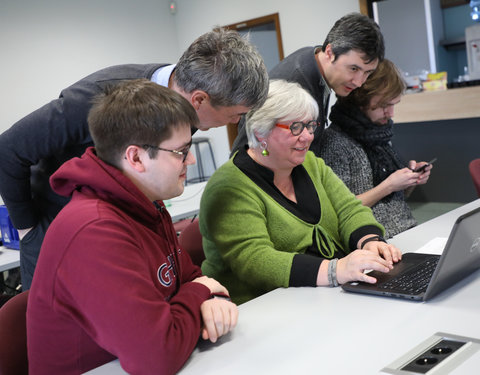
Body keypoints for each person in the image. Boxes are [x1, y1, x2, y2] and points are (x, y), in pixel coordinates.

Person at [0, 28, 268, 290]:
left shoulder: (187, 98)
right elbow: (7, 150)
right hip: (56, 220)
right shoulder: (97, 98)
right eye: (237, 114)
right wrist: (28, 228)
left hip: (122, 222)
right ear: (199, 100)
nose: (236, 121)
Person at [27, 80, 238, 374]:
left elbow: (187, 277)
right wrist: (200, 292)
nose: (190, 159)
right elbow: (156, 357)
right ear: (136, 157)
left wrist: (208, 295)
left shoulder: (146, 200)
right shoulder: (94, 230)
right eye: (180, 151)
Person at [199, 80, 401, 305]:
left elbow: (349, 209)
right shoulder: (230, 185)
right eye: (295, 127)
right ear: (260, 131)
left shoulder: (310, 164)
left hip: (322, 296)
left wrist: (369, 241)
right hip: (262, 306)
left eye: (310, 126)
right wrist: (335, 270)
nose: (307, 137)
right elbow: (255, 260)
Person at [231, 12, 385, 156]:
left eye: (367, 72)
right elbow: (247, 149)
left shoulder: (316, 60)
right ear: (330, 52)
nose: (359, 82)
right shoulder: (295, 83)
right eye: (353, 68)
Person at [318, 59, 432, 238]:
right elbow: (337, 211)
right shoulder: (334, 143)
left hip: (406, 229)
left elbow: (392, 202)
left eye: (393, 104)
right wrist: (389, 185)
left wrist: (409, 180)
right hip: (376, 240)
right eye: (383, 106)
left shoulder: (379, 134)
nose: (391, 113)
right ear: (359, 101)